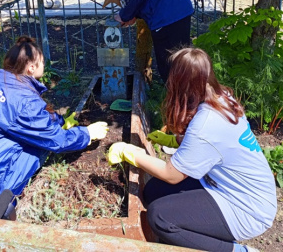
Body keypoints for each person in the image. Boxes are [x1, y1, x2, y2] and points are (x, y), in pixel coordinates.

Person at [108, 48, 277, 252]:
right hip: (232, 187)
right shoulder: (221, 97)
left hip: (247, 210)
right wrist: (174, 140)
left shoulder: (206, 123)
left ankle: (237, 251)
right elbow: (211, 145)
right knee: (153, 191)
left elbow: (171, 175)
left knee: (160, 217)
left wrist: (132, 154)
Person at [0, 36, 108, 206]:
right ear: (31, 68)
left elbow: (27, 120)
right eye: (42, 62)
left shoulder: (0, 77)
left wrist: (59, 121)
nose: (44, 65)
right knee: (38, 147)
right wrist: (87, 134)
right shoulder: (23, 101)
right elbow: (57, 140)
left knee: (35, 137)